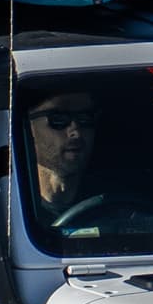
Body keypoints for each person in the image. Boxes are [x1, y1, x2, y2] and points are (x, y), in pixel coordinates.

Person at [23, 92, 103, 225]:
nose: (76, 132)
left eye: (85, 117)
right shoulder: (10, 208)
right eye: (58, 118)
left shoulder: (114, 206)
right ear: (29, 127)